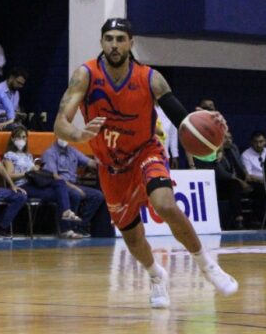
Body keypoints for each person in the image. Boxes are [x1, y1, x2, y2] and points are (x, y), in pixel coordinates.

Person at [53, 17, 237, 309]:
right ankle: (155, 275)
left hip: (145, 152)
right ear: (102, 42)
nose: (114, 45)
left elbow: (183, 120)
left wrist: (209, 125)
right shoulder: (85, 75)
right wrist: (78, 133)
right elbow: (60, 124)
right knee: (133, 236)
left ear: (131, 43)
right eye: (109, 39)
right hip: (111, 166)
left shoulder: (151, 78)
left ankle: (207, 265)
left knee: (165, 204)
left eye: (120, 39)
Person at [3, 126, 84, 239]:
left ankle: (66, 214)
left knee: (60, 183)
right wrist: (27, 172)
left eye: (24, 137)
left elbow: (34, 173)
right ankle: (66, 229)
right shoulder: (9, 155)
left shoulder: (28, 155)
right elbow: (9, 176)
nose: (21, 139)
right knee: (63, 195)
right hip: (22, 186)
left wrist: (37, 169)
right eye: (18, 137)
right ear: (12, 139)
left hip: (34, 183)